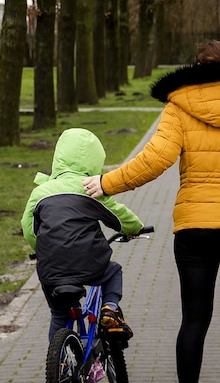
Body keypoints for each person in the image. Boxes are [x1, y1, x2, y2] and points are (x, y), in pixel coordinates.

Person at [83, 40, 220, 383]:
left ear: (195, 69)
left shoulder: (179, 106)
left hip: (195, 230)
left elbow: (155, 160)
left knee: (195, 317)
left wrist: (107, 183)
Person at [22, 127, 146, 341]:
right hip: (90, 265)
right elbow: (120, 217)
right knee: (113, 270)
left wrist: (43, 249)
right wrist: (135, 229)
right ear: (95, 159)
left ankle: (59, 367)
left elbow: (29, 228)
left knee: (59, 314)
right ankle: (110, 308)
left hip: (51, 269)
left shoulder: (40, 192)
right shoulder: (90, 188)